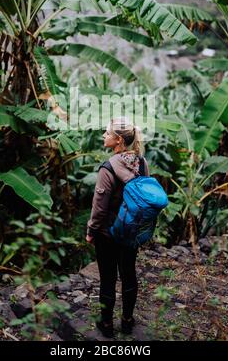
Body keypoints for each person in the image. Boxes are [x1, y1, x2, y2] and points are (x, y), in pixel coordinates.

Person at [86, 117, 149, 338]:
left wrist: (91, 231)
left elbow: (99, 208)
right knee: (129, 275)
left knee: (108, 279)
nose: (104, 136)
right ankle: (127, 321)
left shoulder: (108, 168)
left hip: (108, 233)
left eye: (107, 133)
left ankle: (106, 325)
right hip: (131, 231)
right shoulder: (141, 162)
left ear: (118, 140)